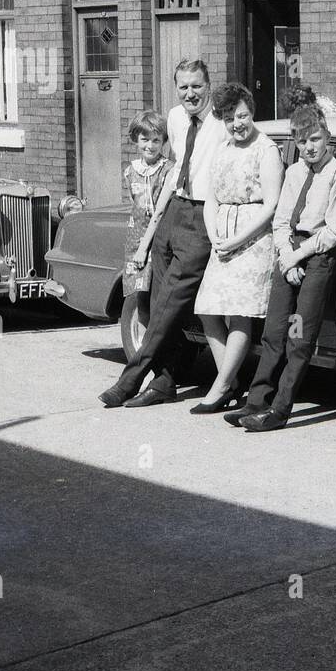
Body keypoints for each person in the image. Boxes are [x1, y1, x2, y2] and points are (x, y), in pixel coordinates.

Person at [99, 58, 229, 408]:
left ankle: (130, 378)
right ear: (176, 88)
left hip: (204, 215)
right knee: (161, 304)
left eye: (197, 86)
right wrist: (154, 228)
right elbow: (173, 172)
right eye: (184, 86)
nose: (191, 93)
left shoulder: (223, 121)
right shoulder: (173, 117)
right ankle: (166, 381)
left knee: (172, 303)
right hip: (173, 211)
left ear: (209, 85)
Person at [224, 103, 336, 433]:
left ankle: (280, 409)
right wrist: (285, 254)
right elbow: (281, 220)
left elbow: (334, 230)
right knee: (275, 331)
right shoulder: (295, 172)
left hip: (317, 258)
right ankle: (256, 401)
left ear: (327, 136)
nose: (309, 148)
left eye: (315, 139)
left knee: (299, 336)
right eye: (302, 141)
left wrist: (298, 257)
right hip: (290, 254)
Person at [191, 83, 283, 414]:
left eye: (241, 115)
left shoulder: (267, 149)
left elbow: (271, 204)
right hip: (223, 236)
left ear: (251, 111)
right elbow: (211, 198)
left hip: (253, 239)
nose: (236, 124)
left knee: (240, 314)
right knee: (207, 310)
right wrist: (215, 232)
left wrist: (236, 238)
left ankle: (220, 387)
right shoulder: (224, 148)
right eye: (229, 119)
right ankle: (228, 382)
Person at [122, 110, 173, 330]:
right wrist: (138, 247)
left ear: (163, 142)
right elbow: (136, 207)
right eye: (145, 139)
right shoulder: (130, 172)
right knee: (139, 294)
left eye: (156, 140)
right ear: (136, 139)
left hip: (159, 237)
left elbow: (159, 212)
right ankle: (143, 343)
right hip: (136, 237)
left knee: (158, 294)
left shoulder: (168, 170)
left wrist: (144, 248)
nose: (150, 146)